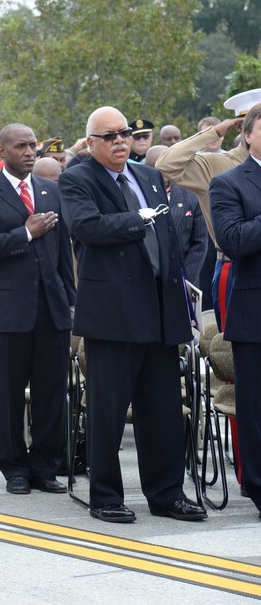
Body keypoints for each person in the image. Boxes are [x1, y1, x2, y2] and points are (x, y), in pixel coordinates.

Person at [59, 106, 206, 524]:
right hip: (114, 314)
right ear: (90, 143)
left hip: (160, 310)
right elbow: (87, 227)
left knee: (162, 409)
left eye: (124, 133)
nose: (120, 141)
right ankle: (105, 496)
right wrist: (136, 220)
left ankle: (167, 494)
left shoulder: (146, 175)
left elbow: (169, 238)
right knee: (108, 411)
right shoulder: (77, 179)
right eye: (109, 136)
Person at [0, 124, 74, 495]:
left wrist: (69, 300)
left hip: (51, 309)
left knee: (51, 392)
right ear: (2, 150)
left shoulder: (51, 190)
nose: (30, 151)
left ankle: (45, 466)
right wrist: (25, 233)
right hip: (8, 311)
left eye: (34, 145)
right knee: (9, 394)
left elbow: (62, 254)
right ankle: (15, 468)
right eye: (22, 146)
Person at [156, 91, 254, 330]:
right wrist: (216, 132)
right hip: (236, 265)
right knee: (238, 352)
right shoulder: (217, 164)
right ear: (243, 129)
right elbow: (166, 164)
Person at [209, 101, 261, 523]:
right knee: (258, 408)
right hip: (255, 311)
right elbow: (234, 239)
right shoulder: (229, 183)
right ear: (247, 134)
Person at [144, 146, 208, 288]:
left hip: (185, 279)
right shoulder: (138, 196)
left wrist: (183, 279)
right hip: (147, 282)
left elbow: (200, 242)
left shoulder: (192, 195)